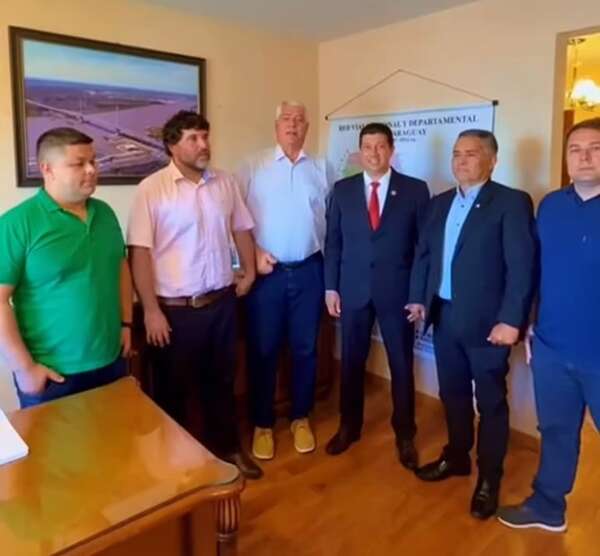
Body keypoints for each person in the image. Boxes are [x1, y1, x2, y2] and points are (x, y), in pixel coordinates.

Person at [406, 129, 536, 519]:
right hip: (444, 317)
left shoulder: (511, 202)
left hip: (488, 326)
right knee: (453, 394)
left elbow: (521, 268)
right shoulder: (440, 202)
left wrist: (511, 320)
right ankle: (457, 457)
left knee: (491, 403)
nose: (461, 161)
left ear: (492, 161)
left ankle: (489, 478)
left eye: (472, 154)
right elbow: (425, 254)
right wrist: (418, 297)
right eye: (457, 154)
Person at [127, 111, 262, 479]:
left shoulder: (224, 182)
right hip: (175, 312)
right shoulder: (152, 189)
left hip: (221, 304)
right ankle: (180, 468)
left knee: (222, 383)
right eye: (193, 138)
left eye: (205, 136)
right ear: (172, 146)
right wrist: (151, 311)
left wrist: (250, 271)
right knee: (172, 391)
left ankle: (229, 451)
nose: (204, 145)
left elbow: (242, 228)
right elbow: (140, 252)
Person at [497, 118, 600, 532]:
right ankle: (548, 506)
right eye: (575, 149)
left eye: (595, 148)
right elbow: (536, 271)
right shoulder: (551, 206)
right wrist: (530, 324)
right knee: (556, 430)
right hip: (552, 347)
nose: (584, 157)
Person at [0, 127, 131, 408]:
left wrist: (126, 324)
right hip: (54, 374)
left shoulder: (105, 213)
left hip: (112, 361)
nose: (92, 170)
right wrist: (24, 368)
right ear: (47, 169)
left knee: (119, 435)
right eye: (78, 163)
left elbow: (120, 268)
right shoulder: (16, 224)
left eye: (93, 161)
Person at [324, 122, 429, 469]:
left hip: (398, 293)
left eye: (380, 146)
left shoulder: (414, 190)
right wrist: (331, 287)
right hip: (353, 290)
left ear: (391, 150)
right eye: (367, 147)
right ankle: (349, 427)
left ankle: (405, 433)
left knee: (401, 364)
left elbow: (422, 248)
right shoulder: (342, 190)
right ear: (360, 151)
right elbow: (333, 243)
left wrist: (418, 294)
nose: (373, 153)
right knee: (351, 362)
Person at [238, 101, 331, 460]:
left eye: (299, 120)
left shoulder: (322, 168)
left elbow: (331, 220)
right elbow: (234, 221)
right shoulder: (252, 166)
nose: (293, 125)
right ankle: (262, 423)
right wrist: (252, 255)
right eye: (287, 119)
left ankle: (300, 417)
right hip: (268, 275)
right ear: (276, 126)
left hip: (310, 270)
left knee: (306, 348)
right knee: (264, 350)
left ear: (307, 127)